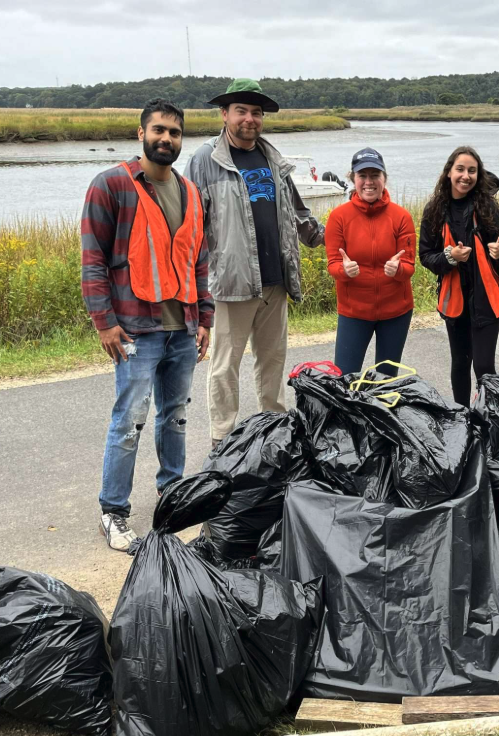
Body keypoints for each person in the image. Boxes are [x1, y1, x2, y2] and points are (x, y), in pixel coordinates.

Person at [81, 99, 213, 551]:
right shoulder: (111, 185)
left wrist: (204, 318)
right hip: (135, 329)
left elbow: (199, 261)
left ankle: (171, 496)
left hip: (182, 328)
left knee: (174, 418)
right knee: (130, 421)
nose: (166, 139)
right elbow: (93, 259)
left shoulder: (192, 192)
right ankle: (113, 512)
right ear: (141, 133)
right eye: (158, 130)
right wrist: (104, 322)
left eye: (174, 133)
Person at [184, 78, 324, 448]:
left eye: (256, 112)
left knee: (273, 362)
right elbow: (190, 227)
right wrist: (193, 288)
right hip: (233, 284)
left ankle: (274, 434)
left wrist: (334, 235)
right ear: (224, 114)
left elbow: (300, 215)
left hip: (275, 281)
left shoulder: (273, 159)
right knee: (225, 366)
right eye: (241, 111)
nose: (250, 119)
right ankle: (222, 441)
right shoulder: (205, 160)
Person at [419, 146, 499, 407]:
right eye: (460, 169)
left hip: (487, 298)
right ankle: (461, 416)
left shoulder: (488, 207)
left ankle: (489, 420)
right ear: (449, 172)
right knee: (460, 362)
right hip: (455, 300)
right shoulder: (434, 210)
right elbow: (426, 256)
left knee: (485, 366)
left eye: (472, 171)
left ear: (478, 175)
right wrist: (450, 257)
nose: (466, 176)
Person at [325, 148, 416, 376]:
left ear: (384, 178)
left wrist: (398, 270)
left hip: (396, 311)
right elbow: (333, 264)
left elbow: (409, 267)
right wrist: (344, 271)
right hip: (354, 311)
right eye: (362, 176)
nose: (369, 182)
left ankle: (382, 412)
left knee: (386, 380)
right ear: (353, 179)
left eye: (375, 175)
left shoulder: (401, 217)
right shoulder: (339, 217)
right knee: (345, 377)